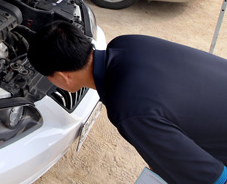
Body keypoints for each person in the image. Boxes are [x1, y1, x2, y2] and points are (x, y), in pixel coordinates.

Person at [27, 20, 227, 184]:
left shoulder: (128, 109)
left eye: (48, 76)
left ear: (63, 77)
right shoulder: (126, 43)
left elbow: (210, 176)